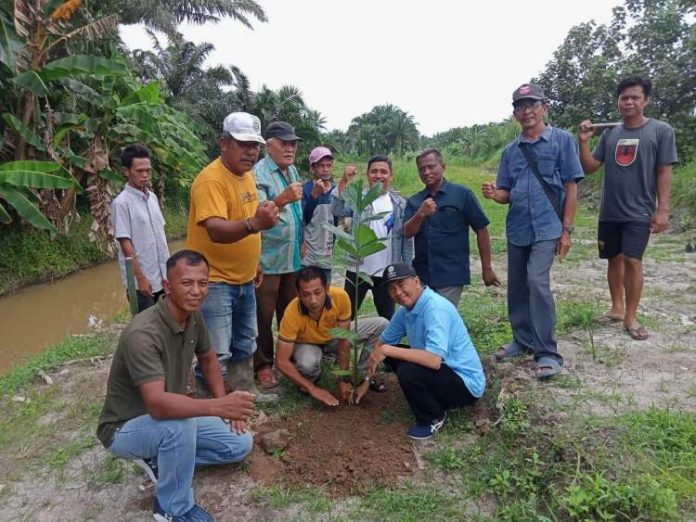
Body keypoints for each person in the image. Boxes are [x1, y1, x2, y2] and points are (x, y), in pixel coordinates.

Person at [96, 250, 254, 522]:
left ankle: (164, 459)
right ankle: (172, 508)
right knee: (177, 425)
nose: (196, 291)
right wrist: (219, 405)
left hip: (165, 420)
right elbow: (157, 405)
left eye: (202, 283)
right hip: (124, 428)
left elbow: (208, 358)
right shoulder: (143, 334)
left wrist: (225, 408)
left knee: (239, 444)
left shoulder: (193, 316)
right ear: (167, 287)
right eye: (187, 283)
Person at [481, 83, 584, 379]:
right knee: (517, 286)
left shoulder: (562, 140)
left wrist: (567, 231)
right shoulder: (510, 151)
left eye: (531, 104)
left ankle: (548, 352)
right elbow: (506, 194)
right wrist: (493, 194)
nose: (526, 111)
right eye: (520, 106)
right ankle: (522, 340)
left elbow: (570, 186)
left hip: (548, 225)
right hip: (517, 227)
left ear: (544, 107)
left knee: (537, 282)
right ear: (514, 113)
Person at [186, 112, 280, 398]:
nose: (251, 152)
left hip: (244, 277)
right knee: (215, 350)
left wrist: (255, 262)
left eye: (255, 146)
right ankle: (209, 404)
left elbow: (245, 217)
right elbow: (215, 229)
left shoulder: (247, 176)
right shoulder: (211, 180)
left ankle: (245, 393)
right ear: (224, 142)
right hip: (214, 280)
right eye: (243, 144)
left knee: (244, 341)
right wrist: (255, 224)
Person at [578, 76, 678, 341]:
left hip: (640, 211)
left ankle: (631, 316)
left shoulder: (660, 131)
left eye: (635, 97)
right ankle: (617, 308)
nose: (629, 102)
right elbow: (589, 167)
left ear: (646, 100)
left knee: (633, 260)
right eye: (624, 98)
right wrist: (584, 141)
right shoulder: (611, 133)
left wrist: (662, 210)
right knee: (614, 259)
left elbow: (664, 171)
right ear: (618, 101)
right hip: (610, 210)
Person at [366, 262, 485, 440]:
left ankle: (432, 416)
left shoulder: (435, 308)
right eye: (392, 288)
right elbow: (382, 343)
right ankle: (432, 397)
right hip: (443, 370)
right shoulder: (406, 309)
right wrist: (366, 380)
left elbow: (433, 360)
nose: (398, 292)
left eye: (401, 284)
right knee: (392, 355)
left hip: (466, 384)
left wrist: (387, 350)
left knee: (407, 369)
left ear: (416, 281)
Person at [275, 266, 388, 405]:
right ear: (298, 294)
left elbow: (344, 339)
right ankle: (313, 376)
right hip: (307, 343)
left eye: (318, 292)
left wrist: (344, 379)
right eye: (306, 294)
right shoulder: (292, 312)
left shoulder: (340, 297)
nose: (313, 300)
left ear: (326, 288)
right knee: (307, 365)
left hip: (333, 337)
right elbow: (281, 361)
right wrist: (312, 389)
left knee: (381, 324)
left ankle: (363, 376)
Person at [403, 148, 499, 307]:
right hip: (422, 274)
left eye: (431, 166)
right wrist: (420, 214)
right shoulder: (415, 201)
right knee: (423, 318)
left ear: (443, 166)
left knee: (440, 318)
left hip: (451, 273)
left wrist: (486, 268)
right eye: (422, 169)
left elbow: (481, 229)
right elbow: (407, 232)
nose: (426, 172)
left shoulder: (462, 195)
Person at [253, 121, 305, 388]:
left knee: (291, 310)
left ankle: (289, 360)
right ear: (269, 145)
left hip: (291, 257)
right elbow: (259, 214)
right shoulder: (258, 173)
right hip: (267, 260)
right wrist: (282, 198)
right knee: (263, 314)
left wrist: (302, 238)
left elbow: (298, 211)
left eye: (293, 143)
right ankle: (263, 364)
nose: (290, 148)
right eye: (284, 143)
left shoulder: (292, 169)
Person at [332, 155, 414, 320]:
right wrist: (343, 182)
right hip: (357, 270)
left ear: (391, 176)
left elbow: (406, 239)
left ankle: (382, 346)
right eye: (374, 171)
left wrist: (407, 269)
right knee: (347, 318)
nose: (378, 175)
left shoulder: (400, 204)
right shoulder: (358, 199)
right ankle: (345, 346)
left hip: (386, 274)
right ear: (368, 175)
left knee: (387, 320)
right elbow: (337, 211)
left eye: (383, 172)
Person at [111, 143, 170, 312]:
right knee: (146, 331)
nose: (145, 175)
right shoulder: (121, 203)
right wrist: (141, 279)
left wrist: (168, 274)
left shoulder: (152, 198)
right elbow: (126, 245)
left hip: (162, 278)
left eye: (148, 170)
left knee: (166, 327)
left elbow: (161, 237)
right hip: (142, 282)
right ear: (126, 171)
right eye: (139, 171)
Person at [300, 146, 357, 280]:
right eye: (321, 166)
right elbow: (301, 219)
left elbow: (343, 220)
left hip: (327, 255)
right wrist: (314, 196)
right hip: (307, 256)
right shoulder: (305, 189)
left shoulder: (337, 191)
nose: (325, 169)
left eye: (328, 165)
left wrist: (348, 238)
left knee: (325, 292)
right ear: (312, 168)